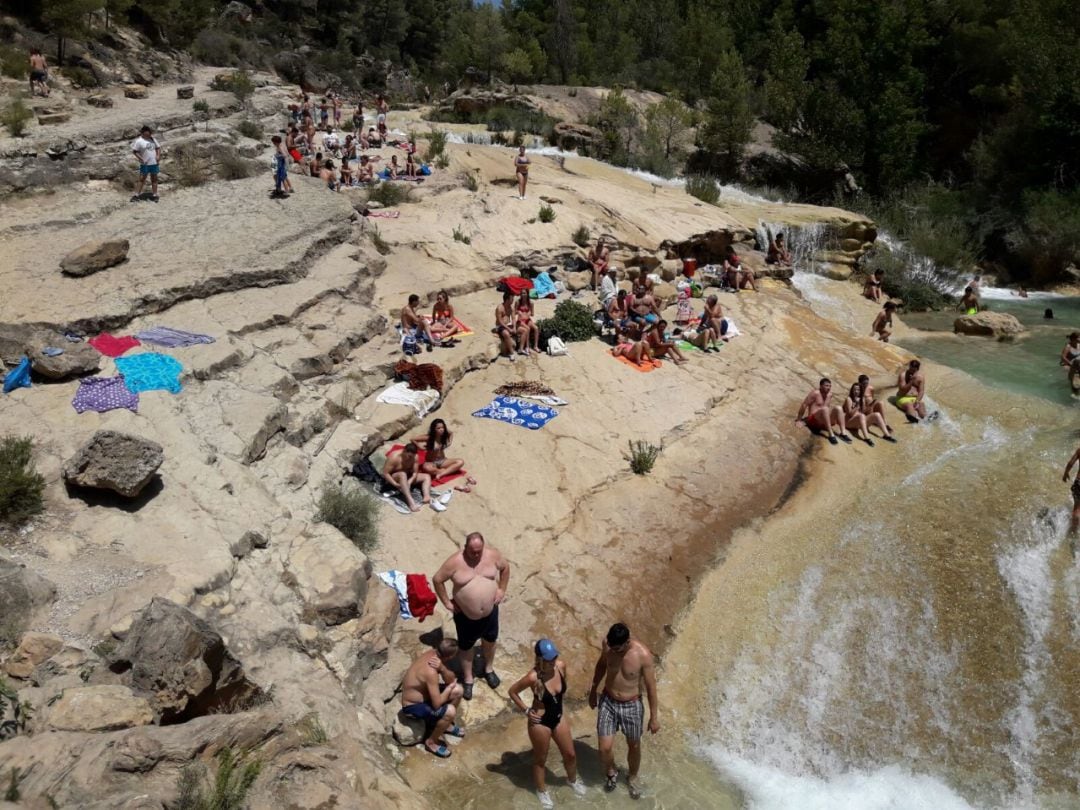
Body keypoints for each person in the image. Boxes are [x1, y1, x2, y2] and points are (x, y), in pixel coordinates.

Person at [509, 639, 587, 808]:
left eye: (554, 657)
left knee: (570, 754)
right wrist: (526, 710)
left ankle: (572, 780)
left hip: (558, 717)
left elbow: (560, 691)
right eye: (549, 659)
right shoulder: (532, 677)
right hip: (540, 722)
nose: (553, 661)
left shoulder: (561, 666)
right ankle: (542, 790)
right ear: (540, 659)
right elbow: (512, 692)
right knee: (540, 759)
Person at [432, 533, 511, 699]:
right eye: (472, 551)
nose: (476, 555)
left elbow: (505, 568)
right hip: (466, 617)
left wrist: (501, 589)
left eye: (479, 551)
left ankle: (488, 668)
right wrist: (447, 602)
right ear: (465, 547)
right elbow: (438, 579)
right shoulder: (455, 561)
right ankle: (468, 678)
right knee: (466, 647)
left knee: (490, 641)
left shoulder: (492, 555)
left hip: (490, 612)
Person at [588, 623, 659, 800]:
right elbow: (601, 665)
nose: (615, 652)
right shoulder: (609, 645)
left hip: (632, 705)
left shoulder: (643, 655)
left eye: (618, 649)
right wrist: (593, 689)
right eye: (612, 648)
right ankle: (612, 771)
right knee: (604, 749)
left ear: (627, 642)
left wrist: (654, 717)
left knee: (634, 745)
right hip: (608, 701)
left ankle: (633, 777)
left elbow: (651, 687)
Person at [400, 638, 466, 758]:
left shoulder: (433, 655)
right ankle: (431, 742)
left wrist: (443, 669)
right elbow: (437, 704)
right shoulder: (431, 672)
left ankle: (447, 726)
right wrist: (447, 689)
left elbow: (451, 679)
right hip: (412, 706)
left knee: (458, 690)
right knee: (450, 711)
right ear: (449, 657)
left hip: (426, 695)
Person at [412, 418, 474, 483]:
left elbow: (451, 433)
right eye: (438, 428)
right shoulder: (429, 437)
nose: (441, 429)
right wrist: (419, 447)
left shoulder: (443, 436)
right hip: (431, 462)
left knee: (460, 462)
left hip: (443, 461)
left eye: (442, 427)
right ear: (434, 429)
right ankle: (448, 470)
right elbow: (413, 439)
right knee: (427, 468)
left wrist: (450, 442)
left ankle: (441, 473)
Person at [382, 442, 437, 513]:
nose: (410, 458)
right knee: (402, 474)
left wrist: (410, 481)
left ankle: (426, 496)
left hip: (406, 477)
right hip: (393, 478)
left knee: (426, 476)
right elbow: (385, 473)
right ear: (404, 451)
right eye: (409, 456)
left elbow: (415, 473)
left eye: (412, 456)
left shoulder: (415, 457)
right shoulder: (394, 457)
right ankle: (411, 502)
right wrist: (395, 484)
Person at [795, 378, 852, 445]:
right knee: (825, 409)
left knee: (838, 408)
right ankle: (831, 434)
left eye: (830, 386)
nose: (829, 388)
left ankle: (843, 433)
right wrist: (799, 420)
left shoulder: (830, 395)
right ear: (821, 386)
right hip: (813, 420)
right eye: (826, 385)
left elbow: (827, 408)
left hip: (823, 421)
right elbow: (804, 405)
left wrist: (834, 417)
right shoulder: (815, 393)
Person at [849, 374, 897, 442]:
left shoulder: (870, 388)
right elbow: (857, 411)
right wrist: (868, 405)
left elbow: (872, 396)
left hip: (867, 409)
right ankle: (877, 424)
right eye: (864, 383)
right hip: (863, 413)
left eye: (867, 383)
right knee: (870, 405)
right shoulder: (858, 392)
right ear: (860, 383)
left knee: (880, 403)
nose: (866, 385)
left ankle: (884, 424)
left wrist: (872, 404)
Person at [130, 125, 162, 203]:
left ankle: (155, 195)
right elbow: (135, 151)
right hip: (145, 163)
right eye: (147, 133)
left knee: (154, 179)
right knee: (142, 179)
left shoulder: (153, 139)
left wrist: (158, 156)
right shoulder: (139, 141)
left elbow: (158, 148)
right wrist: (140, 159)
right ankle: (136, 195)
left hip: (154, 163)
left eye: (150, 133)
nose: (149, 134)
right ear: (143, 133)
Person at [495, 291, 518, 361]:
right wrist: (509, 329)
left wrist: (514, 327)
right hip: (500, 326)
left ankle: (523, 348)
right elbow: (500, 321)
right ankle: (511, 353)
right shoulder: (499, 308)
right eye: (512, 299)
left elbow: (513, 318)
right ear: (507, 299)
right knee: (506, 334)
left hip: (509, 324)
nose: (513, 300)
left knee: (521, 329)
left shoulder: (511, 308)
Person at [1063, 445, 1080, 537]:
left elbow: (1070, 463)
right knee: (1078, 509)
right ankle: (1075, 529)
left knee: (1076, 506)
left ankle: (1073, 528)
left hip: (1078, 482)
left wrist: (1066, 474)